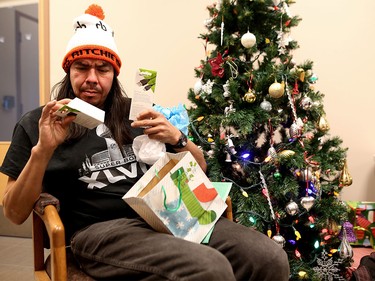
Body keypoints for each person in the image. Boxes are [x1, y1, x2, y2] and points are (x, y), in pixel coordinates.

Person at [0, 4, 289, 281]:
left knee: (268, 256)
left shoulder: (138, 112)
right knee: (208, 268)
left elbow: (199, 171)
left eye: (102, 69)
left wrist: (178, 139)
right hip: (100, 231)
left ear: (114, 74)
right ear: (68, 70)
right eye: (82, 67)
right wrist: (43, 150)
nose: (92, 78)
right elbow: (13, 213)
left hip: (168, 217)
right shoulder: (40, 122)